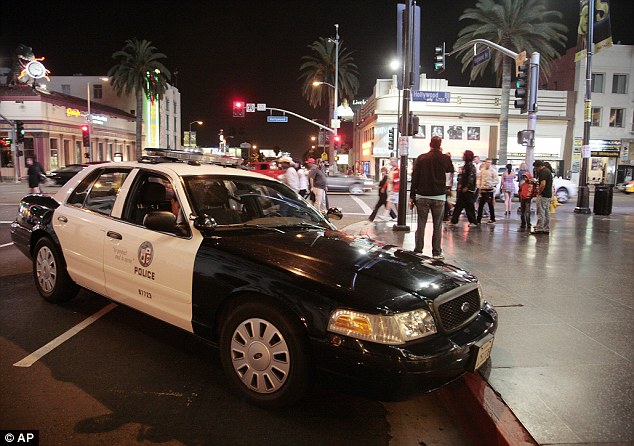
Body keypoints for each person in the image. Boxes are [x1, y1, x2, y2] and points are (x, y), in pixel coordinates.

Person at [409, 136, 454, 260]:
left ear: (430, 144)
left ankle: (418, 250)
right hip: (439, 196)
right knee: (437, 224)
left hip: (422, 195)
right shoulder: (445, 158)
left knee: (421, 223)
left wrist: (412, 195)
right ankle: (437, 252)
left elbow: (415, 178)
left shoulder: (421, 158)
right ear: (440, 145)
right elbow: (450, 172)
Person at [448, 150, 478, 227]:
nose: (462, 156)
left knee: (469, 206)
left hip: (468, 190)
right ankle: (454, 220)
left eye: (464, 155)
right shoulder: (466, 166)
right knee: (459, 205)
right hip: (464, 189)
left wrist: (467, 187)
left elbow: (471, 177)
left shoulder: (470, 166)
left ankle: (473, 221)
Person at [532, 160, 553, 234]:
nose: (535, 169)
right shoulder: (548, 171)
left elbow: (543, 184)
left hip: (543, 195)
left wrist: (539, 193)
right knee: (547, 212)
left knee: (541, 212)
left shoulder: (543, 172)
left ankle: (539, 228)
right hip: (548, 195)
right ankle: (546, 228)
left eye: (535, 168)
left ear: (540, 166)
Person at [476, 159, 498, 224]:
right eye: (487, 162)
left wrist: (491, 184)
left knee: (490, 205)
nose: (488, 164)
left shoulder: (493, 171)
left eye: (490, 163)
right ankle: (478, 219)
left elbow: (496, 180)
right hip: (483, 190)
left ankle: (492, 218)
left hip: (490, 190)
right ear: (485, 163)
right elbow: (479, 179)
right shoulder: (482, 171)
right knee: (481, 205)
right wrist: (478, 186)